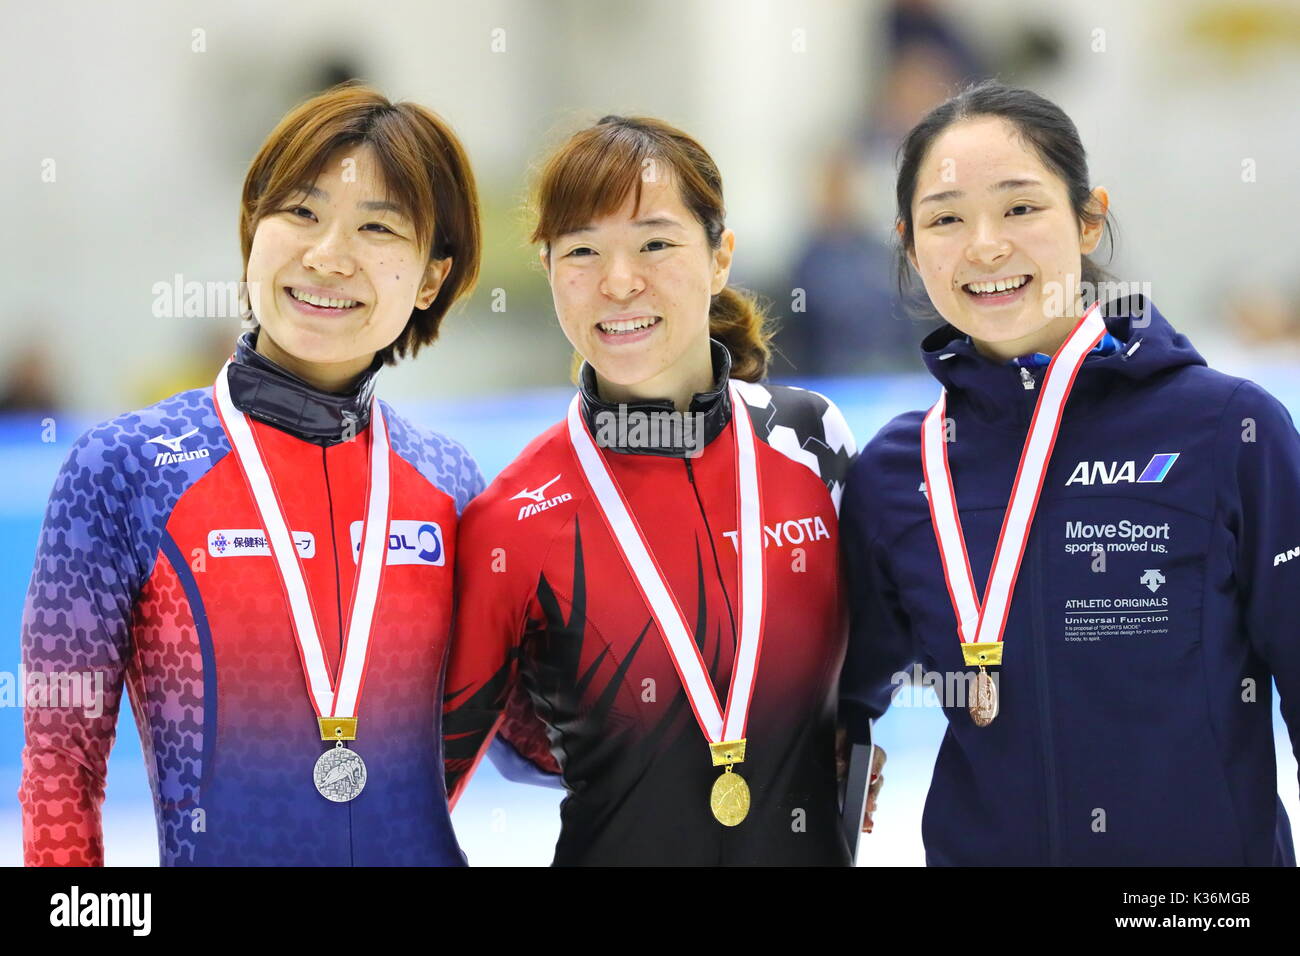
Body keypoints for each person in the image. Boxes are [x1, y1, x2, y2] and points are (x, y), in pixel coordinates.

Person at [19, 81, 484, 866]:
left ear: (431, 278)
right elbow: (58, 774)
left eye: (377, 227)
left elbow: (543, 743)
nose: (327, 255)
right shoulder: (125, 471)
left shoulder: (453, 484)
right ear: (252, 230)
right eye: (300, 213)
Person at [840, 79, 1300, 865]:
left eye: (1020, 207)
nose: (984, 246)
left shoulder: (1229, 430)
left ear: (1088, 219)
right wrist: (840, 769)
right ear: (911, 247)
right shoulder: (898, 473)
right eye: (946, 219)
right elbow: (833, 701)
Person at [442, 115, 860, 865]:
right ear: (547, 268)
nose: (619, 281)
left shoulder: (813, 444)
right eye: (582, 251)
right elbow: (430, 787)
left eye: (655, 243)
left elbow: (864, 664)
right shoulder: (512, 519)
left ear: (721, 256)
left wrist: (845, 736)